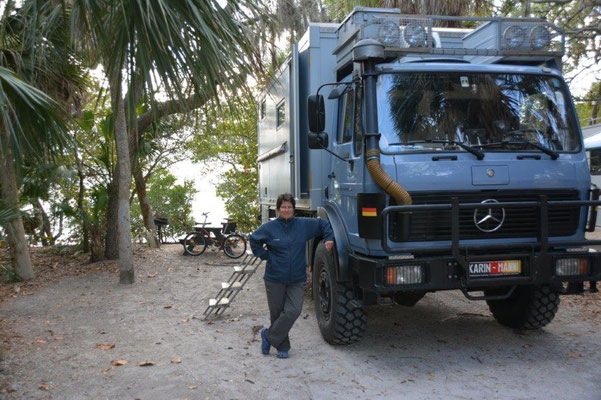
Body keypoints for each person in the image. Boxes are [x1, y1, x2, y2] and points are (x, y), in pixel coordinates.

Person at [250, 193, 334, 359]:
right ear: (278, 209)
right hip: (274, 278)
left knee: (293, 311)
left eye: (289, 207)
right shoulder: (269, 228)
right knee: (277, 313)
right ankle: (283, 347)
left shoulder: (303, 225)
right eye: (283, 207)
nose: (286, 210)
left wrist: (329, 238)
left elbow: (323, 224)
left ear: (294, 209)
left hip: (297, 278)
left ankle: (267, 336)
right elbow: (253, 239)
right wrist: (266, 256)